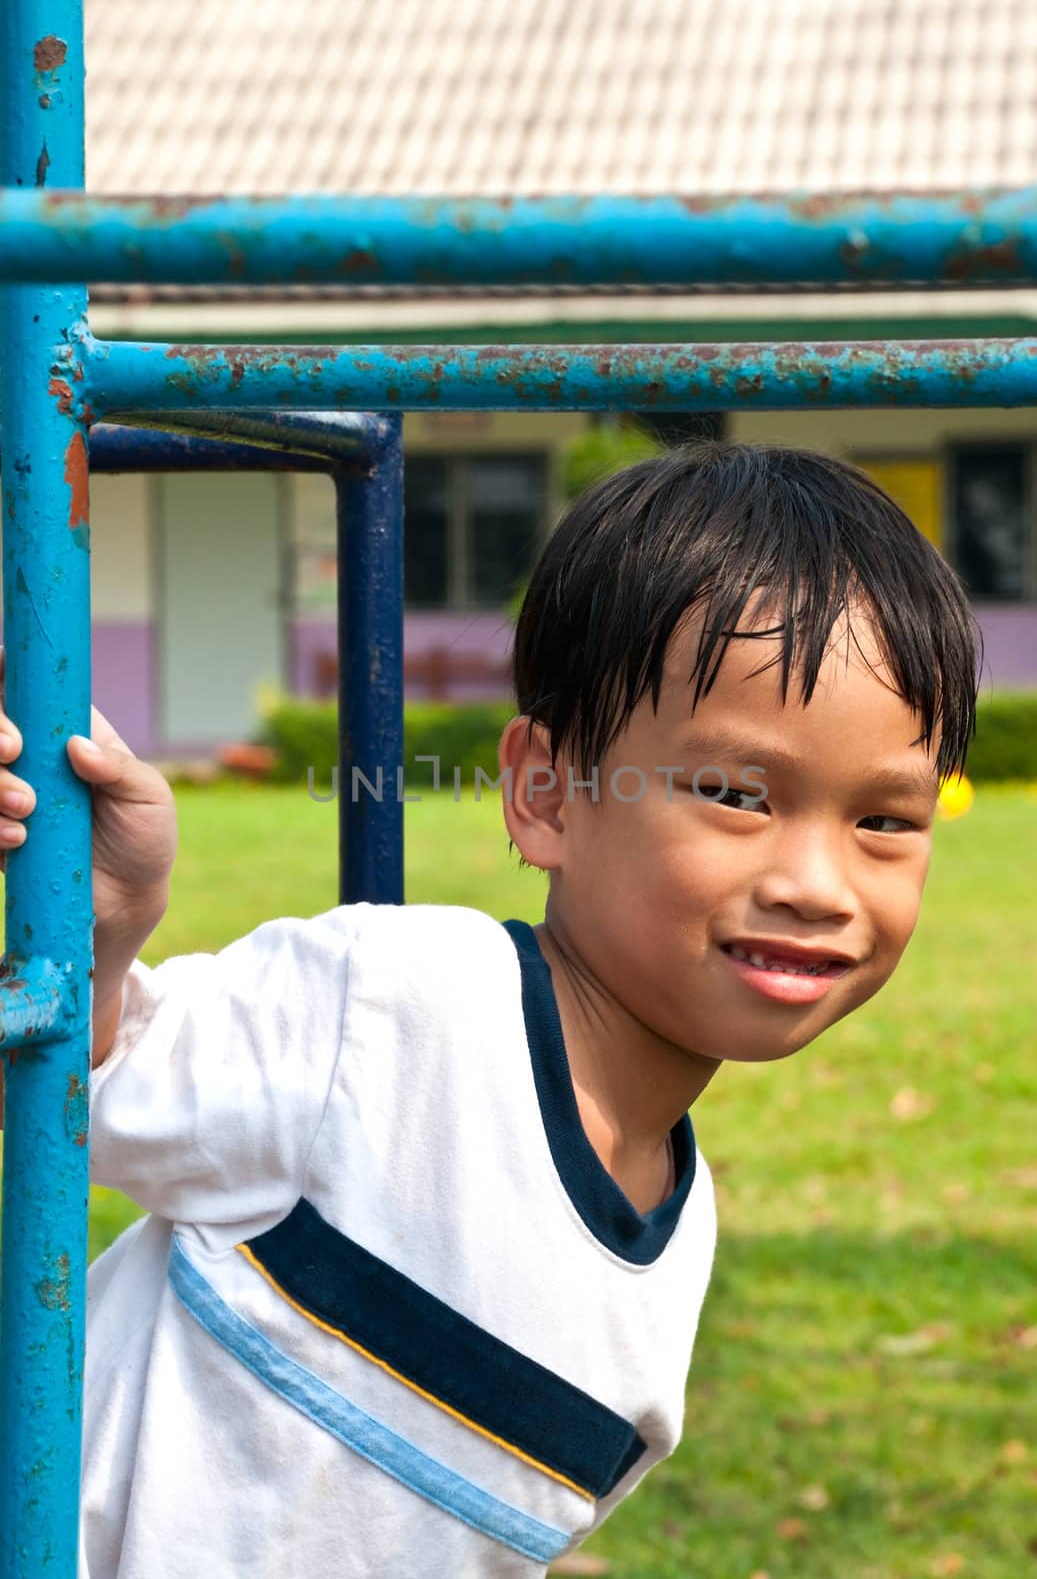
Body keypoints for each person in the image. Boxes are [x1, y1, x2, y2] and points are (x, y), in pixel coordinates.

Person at [0, 443, 981, 1579]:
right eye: (732, 794)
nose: (815, 882)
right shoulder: (396, 1013)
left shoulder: (677, 1230)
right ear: (545, 795)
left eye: (883, 822)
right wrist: (109, 925)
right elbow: (94, 1092)